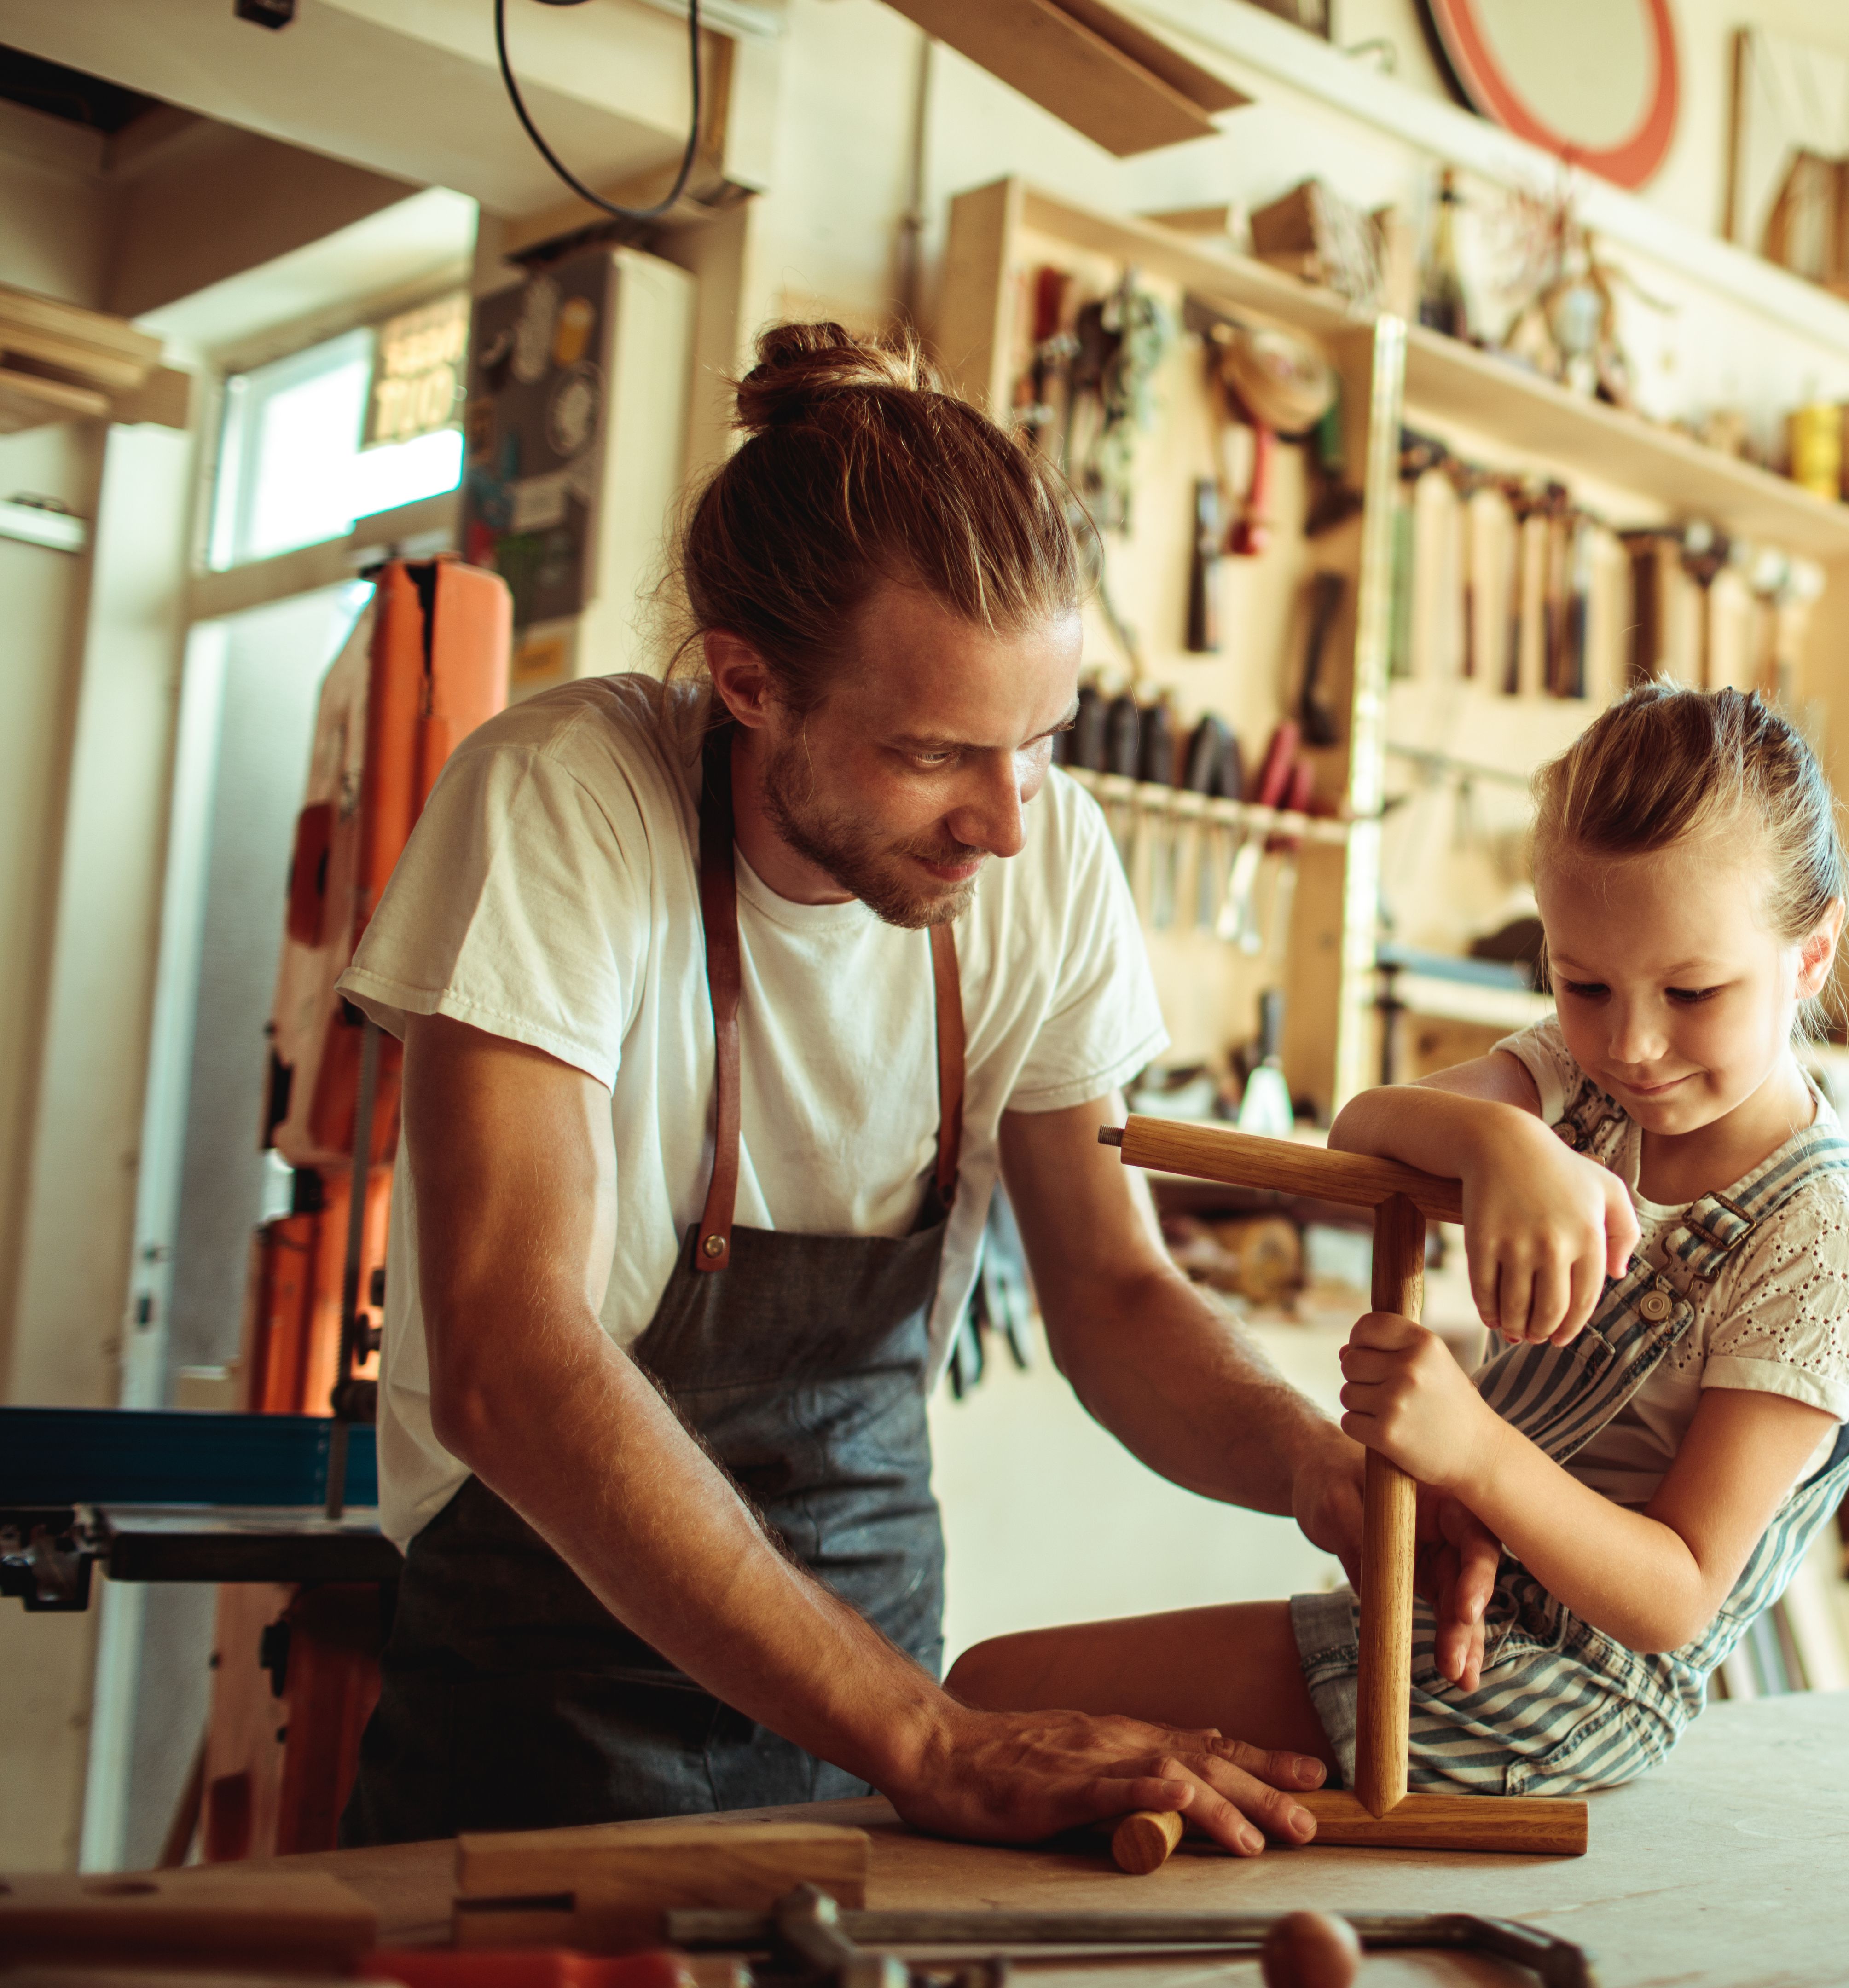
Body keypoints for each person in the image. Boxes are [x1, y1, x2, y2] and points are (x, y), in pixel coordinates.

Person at [333, 324, 1492, 1853]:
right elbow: (511, 1360)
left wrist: (1313, 1468)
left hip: (872, 1673)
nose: (1006, 825)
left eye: (1041, 746)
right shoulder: (560, 803)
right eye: (938, 753)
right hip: (544, 1679)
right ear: (748, 684)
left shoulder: (1046, 855)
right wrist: (933, 1741)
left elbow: (1112, 1294)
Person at [948, 684, 1849, 1796]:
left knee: (989, 1701)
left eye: (1693, 991)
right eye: (1582, 983)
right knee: (988, 1699)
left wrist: (1477, 1454)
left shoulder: (1820, 1238)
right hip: (1439, 1606)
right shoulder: (1573, 1086)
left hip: (1568, 1691)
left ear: (1814, 955)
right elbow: (1366, 1127)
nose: (1633, 1045)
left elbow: (1674, 1600)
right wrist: (1500, 1138)